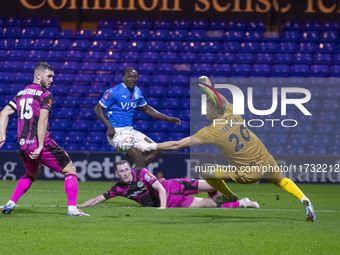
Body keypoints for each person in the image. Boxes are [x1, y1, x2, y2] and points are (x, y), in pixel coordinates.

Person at [134, 76, 316, 222]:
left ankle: (229, 195)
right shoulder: (231, 112)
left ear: (214, 113)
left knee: (205, 170)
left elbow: (177, 144)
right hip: (265, 159)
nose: (203, 110)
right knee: (280, 180)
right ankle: (304, 200)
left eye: (206, 108)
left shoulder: (211, 131)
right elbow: (222, 100)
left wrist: (150, 146)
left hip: (248, 172)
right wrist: (209, 87)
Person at [0, 62, 88, 216]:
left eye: (52, 77)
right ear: (38, 75)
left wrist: (2, 135)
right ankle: (73, 209)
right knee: (70, 170)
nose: (52, 80)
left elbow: (4, 113)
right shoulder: (45, 95)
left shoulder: (21, 94)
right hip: (41, 143)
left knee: (32, 174)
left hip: (22, 145)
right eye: (49, 76)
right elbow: (43, 120)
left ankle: (10, 204)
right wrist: (40, 146)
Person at [94, 67, 181, 170]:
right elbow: (97, 108)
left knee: (155, 150)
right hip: (116, 132)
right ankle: (136, 181)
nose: (132, 79)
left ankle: (133, 177)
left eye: (135, 77)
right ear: (123, 78)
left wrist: (168, 118)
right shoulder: (114, 92)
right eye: (129, 76)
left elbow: (146, 109)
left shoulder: (137, 91)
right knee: (139, 157)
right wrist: (109, 126)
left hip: (130, 131)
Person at [78, 160, 259, 209]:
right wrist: (78, 206)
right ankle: (244, 202)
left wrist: (162, 208)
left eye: (126, 170)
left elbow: (159, 188)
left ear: (129, 169)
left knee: (211, 185)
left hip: (174, 187)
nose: (125, 173)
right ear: (116, 174)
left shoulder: (141, 173)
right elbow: (97, 199)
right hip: (173, 203)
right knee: (209, 205)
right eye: (121, 172)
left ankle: (235, 180)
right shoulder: (118, 188)